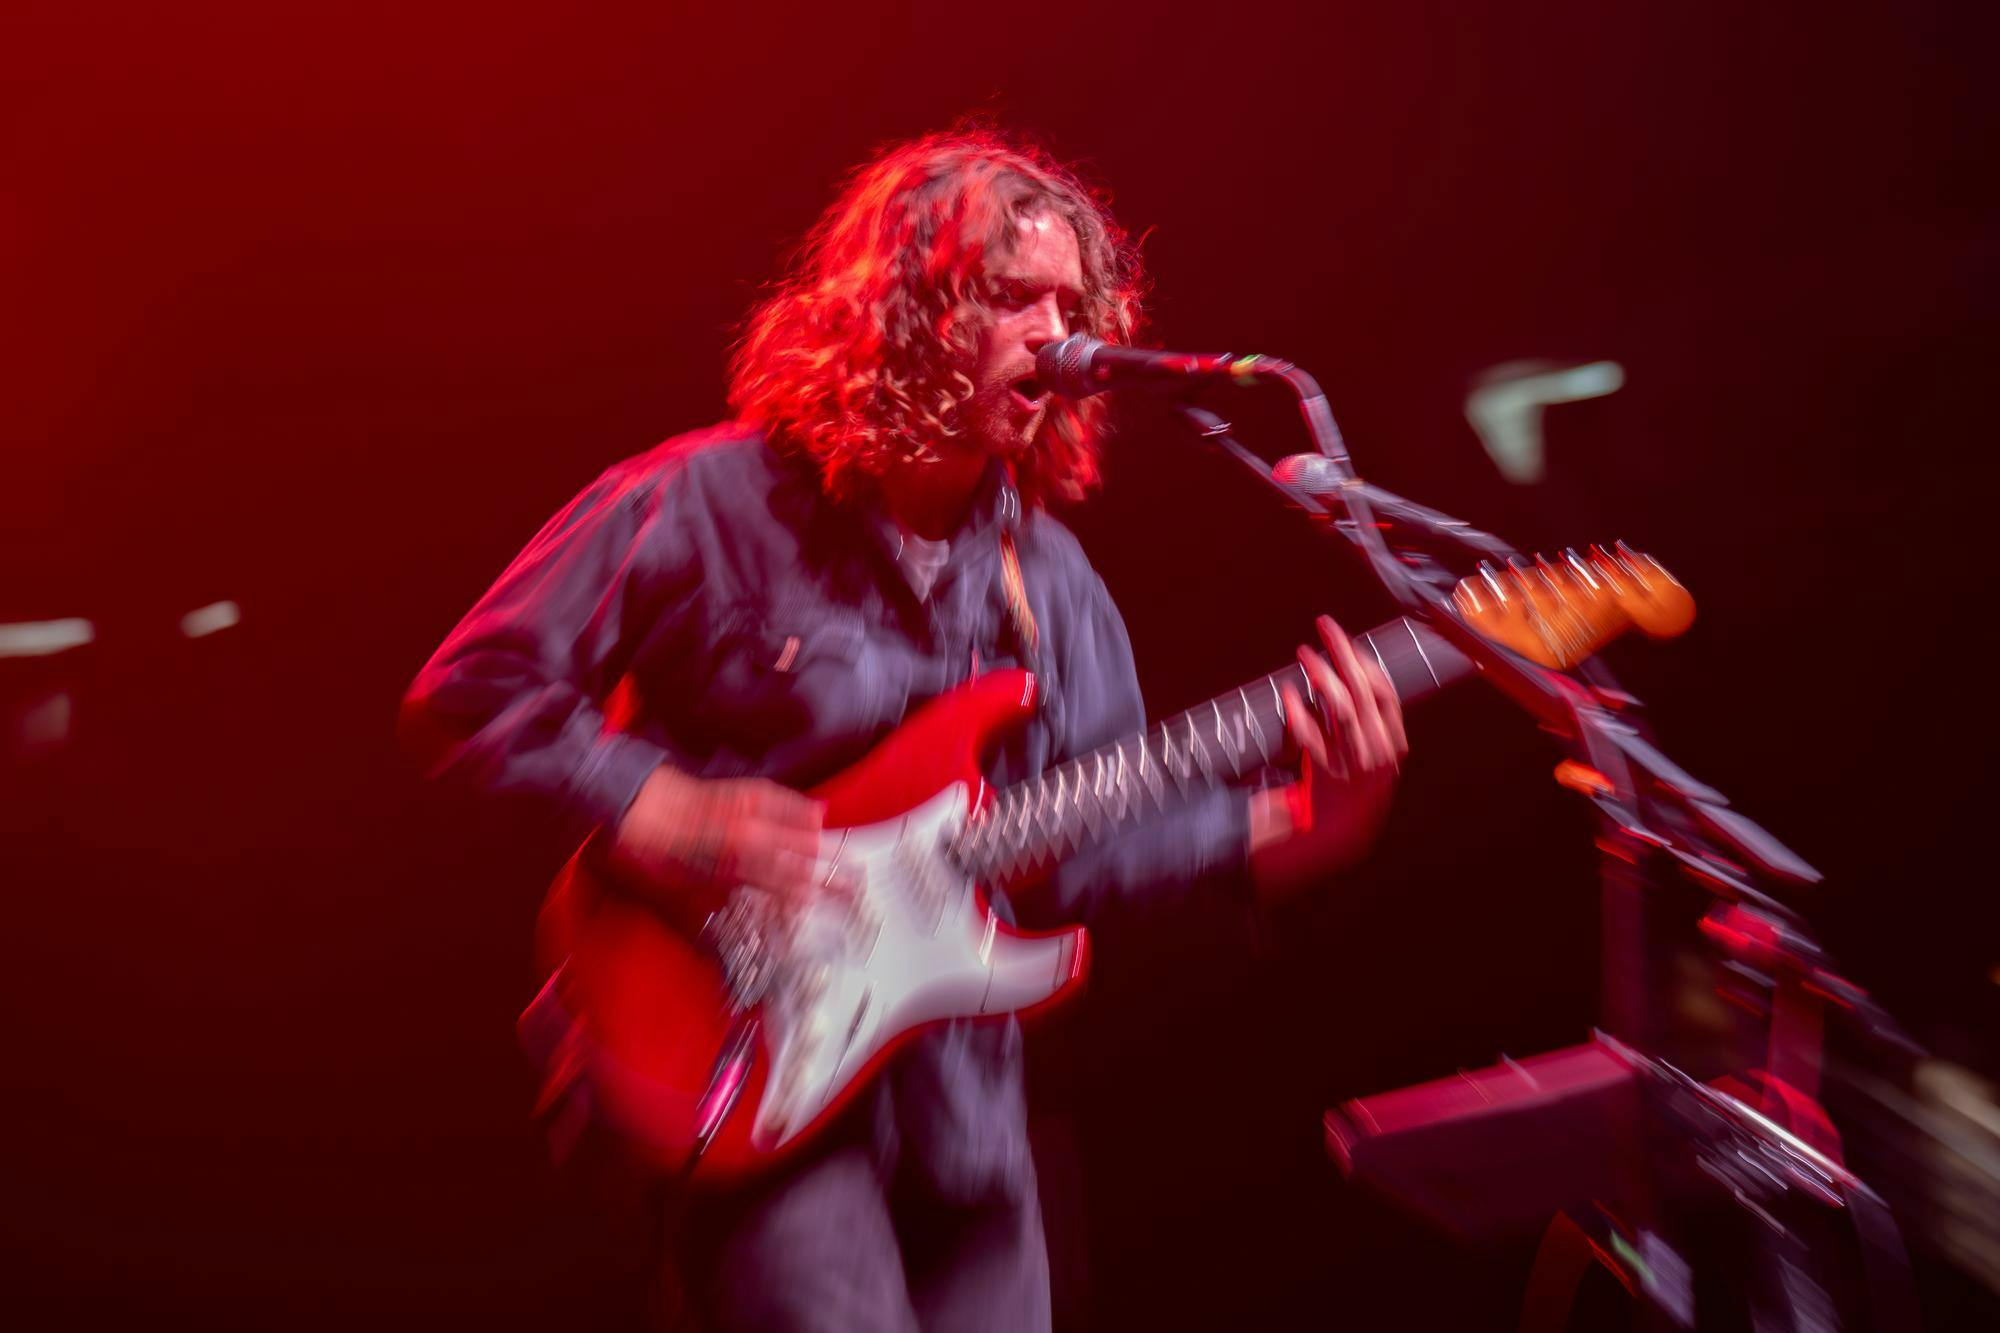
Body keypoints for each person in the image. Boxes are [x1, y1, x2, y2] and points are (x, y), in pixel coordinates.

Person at [401, 128, 1406, 1332]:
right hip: (746, 1066)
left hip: (962, 1108)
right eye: (1008, 298)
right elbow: (473, 686)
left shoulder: (1052, 582)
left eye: (1067, 304)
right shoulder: (704, 503)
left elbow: (1093, 852)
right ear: (903, 311)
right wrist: (669, 808)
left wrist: (1319, 817)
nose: (1052, 335)